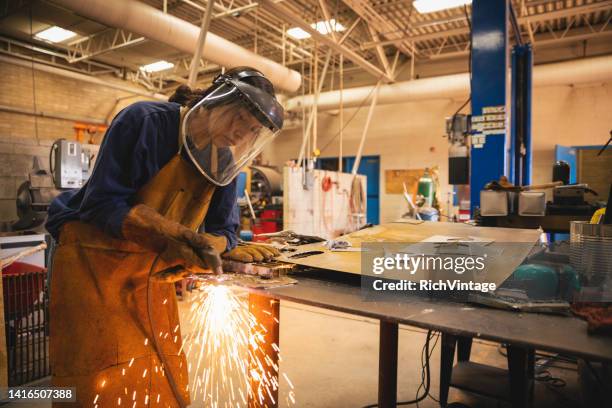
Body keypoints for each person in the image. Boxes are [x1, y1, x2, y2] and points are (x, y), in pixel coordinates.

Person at [45, 67, 284, 407]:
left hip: (150, 273)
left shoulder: (223, 162)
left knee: (158, 373)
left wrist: (213, 247)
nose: (240, 133)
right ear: (216, 101)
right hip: (91, 260)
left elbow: (224, 230)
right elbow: (100, 203)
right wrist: (166, 229)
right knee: (91, 379)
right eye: (240, 119)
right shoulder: (144, 122)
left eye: (251, 130)